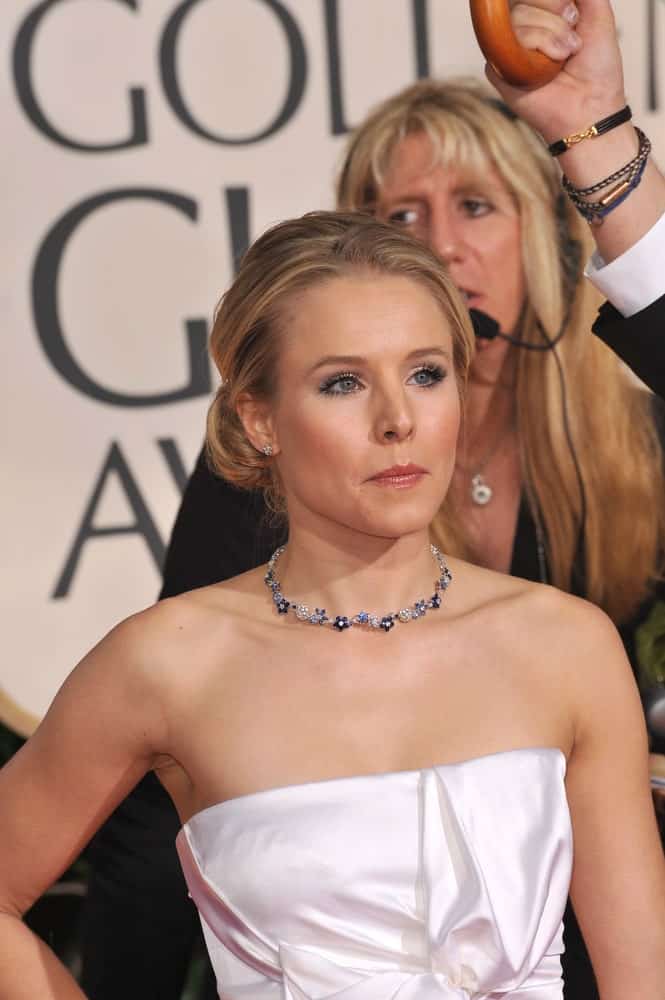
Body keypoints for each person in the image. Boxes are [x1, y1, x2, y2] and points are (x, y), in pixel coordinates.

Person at [80, 1, 665, 998]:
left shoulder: (622, 419)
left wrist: (595, 135)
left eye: (474, 206)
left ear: (539, 236)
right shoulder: (274, 470)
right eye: (402, 217)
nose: (442, 245)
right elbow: (159, 788)